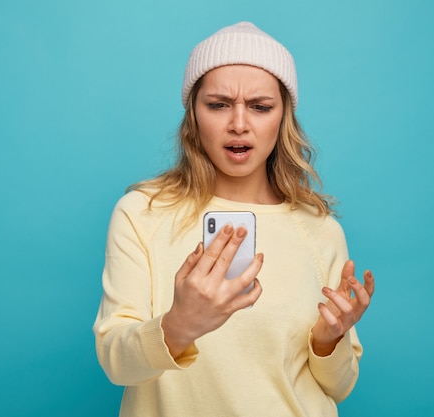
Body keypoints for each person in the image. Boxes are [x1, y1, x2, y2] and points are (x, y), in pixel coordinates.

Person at [93, 21, 375, 417]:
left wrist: (329, 340)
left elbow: (340, 387)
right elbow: (115, 361)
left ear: (283, 118)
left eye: (260, 107)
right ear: (193, 114)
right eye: (218, 104)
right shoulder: (143, 213)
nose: (239, 124)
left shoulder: (320, 229)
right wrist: (178, 325)